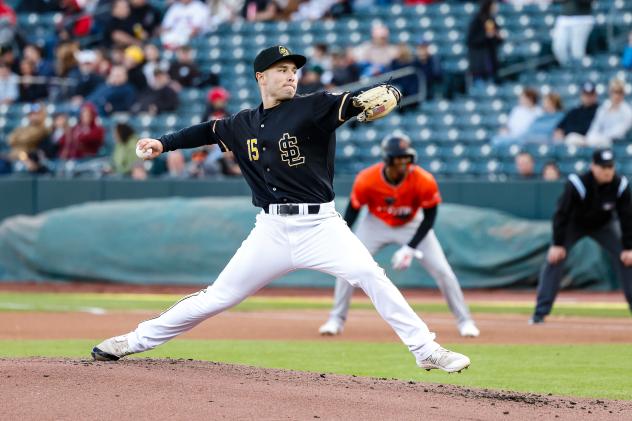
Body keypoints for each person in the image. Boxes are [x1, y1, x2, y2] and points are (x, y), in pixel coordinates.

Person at [91, 45, 471, 373]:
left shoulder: (315, 107)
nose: (292, 77)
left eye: (294, 71)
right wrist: (163, 143)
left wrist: (386, 91)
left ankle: (425, 350)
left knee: (369, 274)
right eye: (282, 71)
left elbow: (353, 101)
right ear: (261, 77)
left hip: (321, 225)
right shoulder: (242, 123)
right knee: (217, 297)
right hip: (270, 230)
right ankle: (133, 341)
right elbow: (208, 130)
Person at [318, 133, 480, 338]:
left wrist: (410, 247)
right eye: (398, 159)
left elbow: (429, 219)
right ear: (387, 159)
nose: (403, 163)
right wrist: (344, 239)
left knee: (443, 271)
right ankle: (336, 319)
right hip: (375, 223)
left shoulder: (424, 179)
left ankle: (465, 321)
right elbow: (352, 212)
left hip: (412, 223)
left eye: (406, 158)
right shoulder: (367, 179)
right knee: (348, 268)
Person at [531, 148, 632, 323]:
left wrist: (629, 247)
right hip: (574, 224)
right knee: (555, 259)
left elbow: (627, 217)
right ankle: (540, 313)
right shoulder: (578, 183)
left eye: (610, 166)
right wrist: (558, 243)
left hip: (604, 225)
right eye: (602, 167)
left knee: (628, 259)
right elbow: (562, 214)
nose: (607, 171)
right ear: (593, 166)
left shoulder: (620, 184)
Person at [566, 79, 632, 147]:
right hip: (598, 139)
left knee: (602, 142)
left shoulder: (627, 111)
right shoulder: (604, 107)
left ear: (623, 93)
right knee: (571, 138)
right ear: (610, 92)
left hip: (615, 142)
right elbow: (595, 126)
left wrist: (600, 137)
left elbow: (619, 133)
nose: (616, 95)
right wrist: (589, 138)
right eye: (614, 92)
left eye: (619, 92)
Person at [466, 0, 502, 83]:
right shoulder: (477, 20)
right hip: (479, 61)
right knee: (479, 84)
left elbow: (498, 39)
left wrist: (498, 36)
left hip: (491, 60)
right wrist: (485, 36)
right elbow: (470, 40)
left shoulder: (492, 20)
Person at [551, 0, 594, 66]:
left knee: (576, 51)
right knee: (559, 48)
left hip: (582, 18)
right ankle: (568, 69)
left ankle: (578, 72)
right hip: (564, 18)